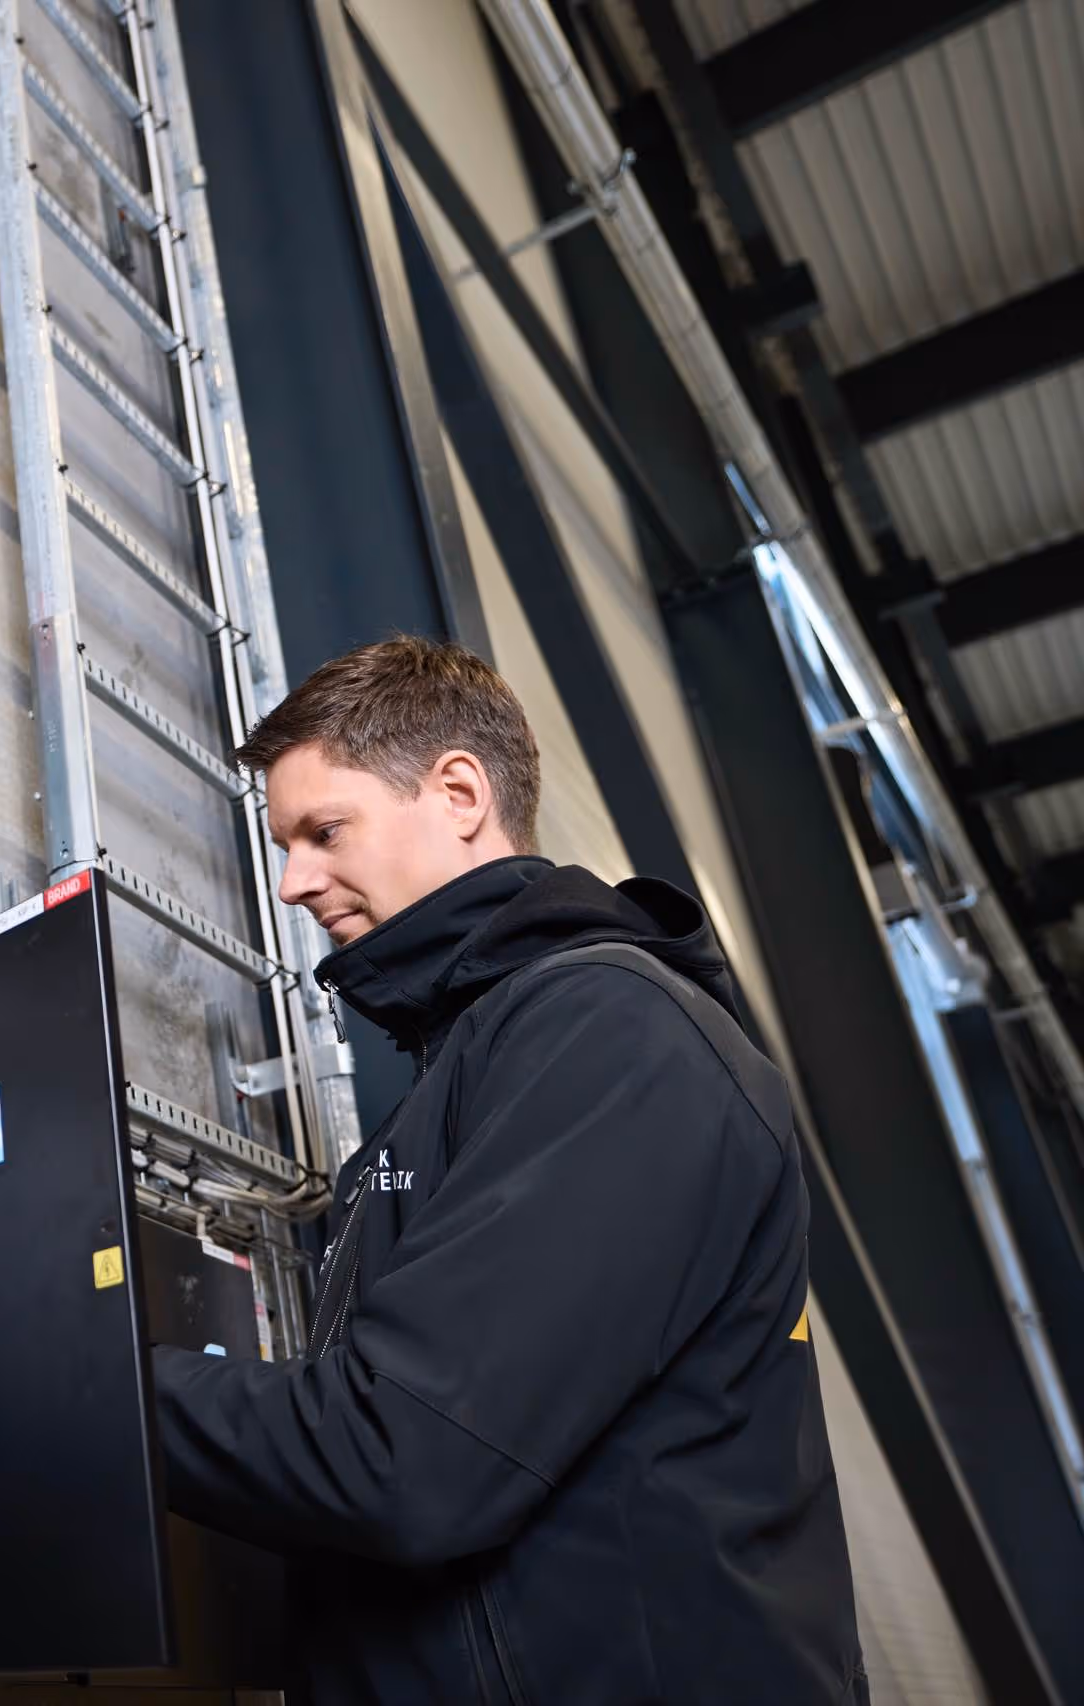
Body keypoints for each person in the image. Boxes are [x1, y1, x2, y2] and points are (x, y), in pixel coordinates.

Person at [152, 636, 866, 1703]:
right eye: (285, 845)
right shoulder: (476, 1066)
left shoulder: (611, 1032)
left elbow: (404, 1453)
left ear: (459, 793)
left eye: (323, 831)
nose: (294, 882)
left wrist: (94, 1386)